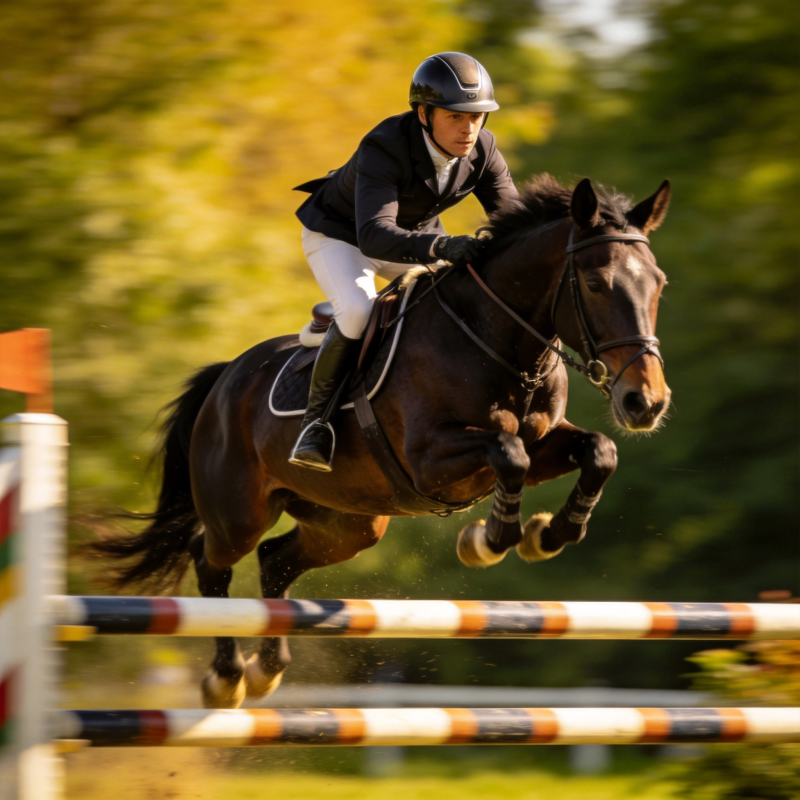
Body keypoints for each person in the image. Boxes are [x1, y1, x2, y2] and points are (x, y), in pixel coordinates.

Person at [289, 52, 520, 472]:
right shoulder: (385, 145)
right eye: (455, 117)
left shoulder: (483, 149)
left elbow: (515, 223)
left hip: (412, 236)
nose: (469, 129)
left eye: (477, 117)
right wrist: (440, 248)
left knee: (460, 295)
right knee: (360, 310)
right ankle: (315, 424)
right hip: (342, 235)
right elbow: (374, 235)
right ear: (424, 113)